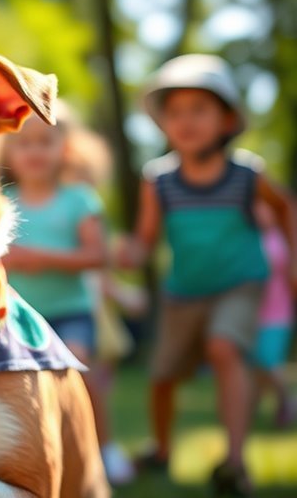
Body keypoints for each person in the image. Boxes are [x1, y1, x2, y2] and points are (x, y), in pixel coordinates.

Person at [118, 54, 297, 496]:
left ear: (227, 119)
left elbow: (285, 208)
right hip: (184, 291)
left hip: (241, 283)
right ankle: (160, 450)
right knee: (162, 376)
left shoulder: (247, 174)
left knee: (224, 348)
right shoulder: (158, 180)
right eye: (175, 112)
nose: (186, 121)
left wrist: (291, 260)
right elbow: (147, 238)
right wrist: (128, 252)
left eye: (199, 110)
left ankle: (234, 461)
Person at [0, 100, 134, 484]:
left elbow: (98, 256)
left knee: (79, 375)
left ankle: (104, 449)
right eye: (25, 144)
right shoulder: (4, 203)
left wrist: (39, 258)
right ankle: (36, 455)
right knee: (25, 393)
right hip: (20, 316)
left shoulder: (80, 201)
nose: (36, 151)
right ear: (8, 150)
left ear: (65, 148)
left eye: (46, 141)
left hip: (72, 311)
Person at [252, 200, 294, 427]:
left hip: (278, 312)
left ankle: (287, 403)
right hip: (253, 312)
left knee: (269, 361)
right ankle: (254, 408)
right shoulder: (249, 238)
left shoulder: (282, 240)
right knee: (257, 364)